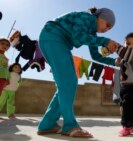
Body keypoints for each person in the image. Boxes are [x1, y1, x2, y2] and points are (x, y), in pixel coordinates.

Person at [37, 7, 119, 138]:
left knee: (66, 84)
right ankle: (70, 126)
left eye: (110, 28)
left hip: (57, 42)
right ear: (100, 17)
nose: (107, 29)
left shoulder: (92, 33)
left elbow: (95, 57)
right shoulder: (86, 17)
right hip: (53, 36)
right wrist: (104, 41)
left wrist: (114, 62)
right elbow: (77, 37)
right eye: (108, 25)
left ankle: (47, 124)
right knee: (69, 82)